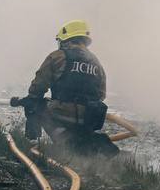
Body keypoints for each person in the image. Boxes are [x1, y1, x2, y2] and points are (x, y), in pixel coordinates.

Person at [21, 19, 116, 155]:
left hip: (62, 113)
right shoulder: (96, 63)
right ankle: (88, 142)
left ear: (66, 40)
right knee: (81, 135)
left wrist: (31, 101)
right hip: (88, 119)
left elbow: (38, 86)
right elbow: (101, 94)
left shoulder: (57, 56)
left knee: (35, 104)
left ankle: (56, 139)